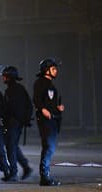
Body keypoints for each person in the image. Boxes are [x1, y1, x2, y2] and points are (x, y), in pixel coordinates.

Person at [33, 58, 64, 186]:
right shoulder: (41, 82)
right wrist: (42, 109)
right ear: (47, 70)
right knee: (48, 147)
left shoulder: (50, 84)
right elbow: (36, 99)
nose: (56, 71)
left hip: (53, 119)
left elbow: (50, 102)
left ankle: (45, 175)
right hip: (45, 120)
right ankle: (44, 177)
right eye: (53, 68)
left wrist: (58, 108)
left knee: (50, 147)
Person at [1, 66, 33, 181]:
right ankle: (25, 167)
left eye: (4, 76)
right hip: (14, 122)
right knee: (13, 146)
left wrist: (23, 119)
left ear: (9, 77)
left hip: (14, 122)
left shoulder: (15, 90)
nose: (2, 78)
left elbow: (14, 107)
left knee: (10, 147)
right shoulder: (15, 89)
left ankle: (13, 173)